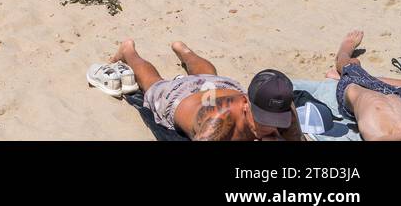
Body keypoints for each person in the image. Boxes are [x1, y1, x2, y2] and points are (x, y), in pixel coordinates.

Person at [108, 39, 301, 140]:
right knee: (152, 83)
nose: (269, 128)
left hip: (222, 88)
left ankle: (184, 51)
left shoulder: (284, 109)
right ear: (247, 103)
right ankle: (129, 51)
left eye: (275, 122)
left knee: (208, 76)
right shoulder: (216, 124)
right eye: (262, 119)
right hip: (179, 99)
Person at [331, 30, 401, 141]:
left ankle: (345, 49)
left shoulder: (377, 132)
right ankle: (367, 76)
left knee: (352, 63)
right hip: (397, 95)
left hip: (356, 85)